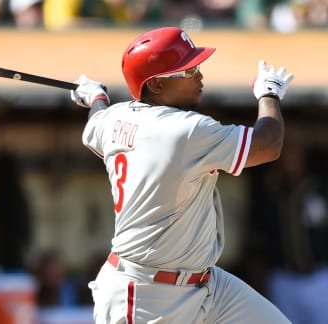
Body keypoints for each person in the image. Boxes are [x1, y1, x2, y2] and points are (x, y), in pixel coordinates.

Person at [70, 26, 294, 323]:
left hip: (208, 285)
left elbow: (97, 118)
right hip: (147, 294)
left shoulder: (115, 117)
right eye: (188, 70)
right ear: (158, 85)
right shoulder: (186, 130)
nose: (199, 76)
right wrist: (269, 93)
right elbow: (268, 144)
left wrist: (96, 97)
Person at [245, 142, 328, 324]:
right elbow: (257, 244)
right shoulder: (269, 197)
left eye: (293, 157)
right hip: (283, 278)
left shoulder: (320, 191)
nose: (289, 163)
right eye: (284, 158)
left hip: (319, 277)